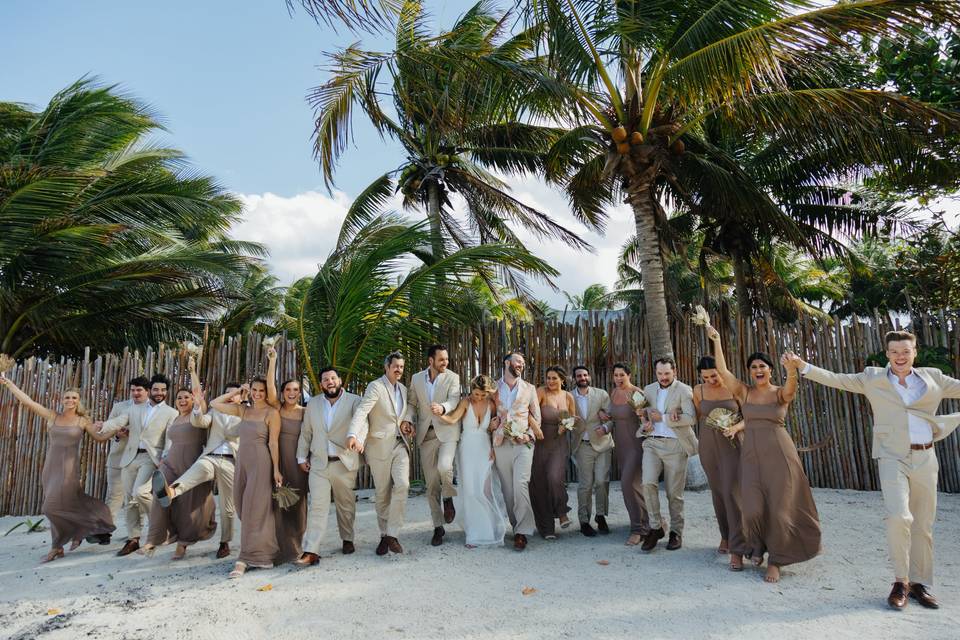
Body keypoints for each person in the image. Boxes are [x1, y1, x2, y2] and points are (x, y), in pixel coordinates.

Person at [794, 330, 960, 609]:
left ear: (914, 352)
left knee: (924, 524)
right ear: (887, 354)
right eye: (894, 351)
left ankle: (920, 584)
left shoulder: (934, 377)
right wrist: (803, 366)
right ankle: (900, 582)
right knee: (898, 517)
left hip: (926, 457)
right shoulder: (873, 378)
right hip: (892, 456)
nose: (900, 356)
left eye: (905, 351)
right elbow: (837, 379)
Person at [707, 325, 821, 583]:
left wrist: (792, 370)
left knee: (780, 510)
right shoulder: (744, 392)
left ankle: (777, 560)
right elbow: (723, 372)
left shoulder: (779, 392)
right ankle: (754, 549)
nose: (758, 370)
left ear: (770, 369)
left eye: (763, 366)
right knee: (752, 509)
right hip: (750, 457)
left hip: (780, 456)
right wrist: (717, 340)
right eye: (754, 367)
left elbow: (790, 391)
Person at [1, 374, 114, 562]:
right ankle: (59, 546)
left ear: (78, 402)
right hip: (50, 469)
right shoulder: (52, 416)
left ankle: (75, 535)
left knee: (50, 508)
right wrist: (8, 383)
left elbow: (100, 438)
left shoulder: (82, 421)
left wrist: (118, 430)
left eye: (74, 398)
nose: (70, 400)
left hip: (69, 470)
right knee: (57, 506)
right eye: (67, 397)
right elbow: (28, 402)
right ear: (62, 400)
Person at [159, 357, 240, 559]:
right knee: (194, 472)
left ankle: (225, 542)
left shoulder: (247, 413)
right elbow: (200, 422)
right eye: (227, 393)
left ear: (240, 396)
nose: (230, 397)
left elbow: (239, 432)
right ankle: (170, 491)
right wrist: (196, 408)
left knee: (227, 507)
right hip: (210, 457)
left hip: (231, 461)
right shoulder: (214, 411)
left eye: (235, 394)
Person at [97, 373, 178, 556]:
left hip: (151, 458)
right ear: (150, 391)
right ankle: (133, 539)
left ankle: (161, 526)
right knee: (129, 501)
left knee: (138, 493)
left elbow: (169, 438)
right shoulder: (135, 409)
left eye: (163, 390)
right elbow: (119, 421)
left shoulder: (171, 413)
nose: (159, 393)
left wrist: (165, 456)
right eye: (156, 389)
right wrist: (104, 425)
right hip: (129, 457)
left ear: (166, 392)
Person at [210, 379, 282, 578]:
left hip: (261, 463)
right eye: (254, 390)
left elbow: (274, 443)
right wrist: (239, 392)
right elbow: (214, 404)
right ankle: (265, 552)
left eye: (261, 390)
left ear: (267, 393)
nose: (257, 393)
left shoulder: (272, 413)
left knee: (253, 509)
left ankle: (245, 559)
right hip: (242, 462)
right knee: (242, 506)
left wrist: (276, 469)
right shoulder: (244, 410)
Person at [295, 366, 362, 565]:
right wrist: (301, 457)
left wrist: (358, 438)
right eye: (325, 379)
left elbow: (361, 423)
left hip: (344, 461)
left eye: (333, 378)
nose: (329, 382)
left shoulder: (354, 401)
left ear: (339, 380)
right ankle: (311, 550)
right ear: (321, 383)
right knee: (317, 507)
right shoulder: (313, 404)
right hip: (319, 464)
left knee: (346, 505)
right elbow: (306, 432)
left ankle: (347, 538)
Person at [347, 352, 411, 556]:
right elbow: (362, 411)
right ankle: (384, 535)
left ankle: (392, 534)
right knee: (383, 493)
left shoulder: (403, 388)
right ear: (387, 367)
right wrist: (353, 434)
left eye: (401, 366)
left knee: (403, 484)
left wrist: (408, 423)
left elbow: (406, 411)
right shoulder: (375, 386)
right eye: (396, 366)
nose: (399, 370)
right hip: (378, 447)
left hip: (400, 445)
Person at [142, 388, 216, 559]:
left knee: (186, 505)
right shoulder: (176, 418)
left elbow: (199, 407)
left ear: (193, 400)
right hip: (170, 464)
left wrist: (192, 372)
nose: (182, 400)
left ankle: (182, 544)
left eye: (187, 397)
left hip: (190, 465)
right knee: (159, 497)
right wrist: (163, 459)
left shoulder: (197, 416)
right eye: (179, 397)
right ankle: (152, 540)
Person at [437, 375, 508, 547]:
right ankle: (474, 534)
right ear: (471, 390)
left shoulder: (491, 405)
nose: (479, 398)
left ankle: (489, 531)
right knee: (470, 490)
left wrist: (493, 448)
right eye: (476, 394)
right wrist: (439, 414)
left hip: (485, 448)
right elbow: (453, 419)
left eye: (483, 395)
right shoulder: (465, 402)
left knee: (485, 490)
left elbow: (493, 430)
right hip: (467, 449)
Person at [402, 344, 462, 546]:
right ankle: (438, 527)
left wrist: (443, 407)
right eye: (441, 359)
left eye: (447, 359)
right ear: (430, 361)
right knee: (431, 485)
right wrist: (409, 420)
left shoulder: (453, 377)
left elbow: (454, 400)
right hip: (425, 436)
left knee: (445, 467)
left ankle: (448, 498)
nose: (446, 362)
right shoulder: (417, 378)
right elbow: (411, 403)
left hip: (447, 432)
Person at [638, 357, 698, 552]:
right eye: (660, 373)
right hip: (652, 443)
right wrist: (646, 423)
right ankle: (656, 527)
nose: (663, 377)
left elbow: (691, 418)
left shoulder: (684, 390)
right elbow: (645, 416)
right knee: (647, 483)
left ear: (675, 372)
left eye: (667, 373)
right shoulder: (648, 389)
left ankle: (676, 532)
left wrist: (663, 418)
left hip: (676, 446)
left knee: (674, 494)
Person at [693, 355, 746, 571]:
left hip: (732, 444)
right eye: (705, 377)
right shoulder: (698, 391)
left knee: (733, 493)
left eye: (713, 375)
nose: (710, 380)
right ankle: (724, 535)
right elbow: (697, 415)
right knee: (717, 493)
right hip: (707, 445)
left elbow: (750, 415)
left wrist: (736, 427)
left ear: (721, 371)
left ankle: (738, 547)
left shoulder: (735, 387)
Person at [491, 351, 542, 551]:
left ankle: (523, 531)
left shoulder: (529, 388)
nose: (521, 365)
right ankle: (515, 526)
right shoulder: (493, 387)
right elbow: (487, 413)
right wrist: (492, 424)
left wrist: (528, 435)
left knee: (521, 485)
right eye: (517, 361)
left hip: (524, 444)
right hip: (501, 442)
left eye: (523, 362)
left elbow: (536, 417)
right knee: (508, 490)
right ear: (506, 363)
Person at [266, 347, 308, 564]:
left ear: (299, 392)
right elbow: (269, 387)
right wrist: (272, 360)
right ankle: (281, 549)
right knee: (279, 506)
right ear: (282, 393)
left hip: (299, 464)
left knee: (298, 505)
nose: (291, 393)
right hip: (278, 462)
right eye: (288, 390)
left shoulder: (305, 412)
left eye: (295, 390)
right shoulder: (277, 409)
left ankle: (297, 547)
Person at [530, 366, 574, 539]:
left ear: (562, 380)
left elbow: (573, 419)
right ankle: (547, 527)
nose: (550, 381)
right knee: (539, 484)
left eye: (554, 378)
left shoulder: (568, 397)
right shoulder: (540, 392)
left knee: (555, 478)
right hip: (540, 443)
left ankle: (562, 512)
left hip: (559, 444)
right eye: (548, 378)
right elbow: (528, 412)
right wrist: (535, 427)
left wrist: (567, 425)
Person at [569, 366, 613, 537]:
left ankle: (601, 516)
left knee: (602, 481)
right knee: (585, 485)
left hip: (602, 443)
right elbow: (565, 419)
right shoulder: (569, 397)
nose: (583, 377)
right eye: (579, 375)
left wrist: (605, 427)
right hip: (582, 445)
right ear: (575, 378)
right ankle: (584, 521)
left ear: (589, 376)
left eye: (585, 374)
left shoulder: (602, 394)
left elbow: (611, 418)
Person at [607, 363, 649, 545]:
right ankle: (651, 521)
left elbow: (646, 421)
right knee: (635, 486)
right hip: (621, 446)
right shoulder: (614, 393)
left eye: (621, 375)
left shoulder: (637, 393)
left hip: (635, 445)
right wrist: (605, 421)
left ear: (629, 375)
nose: (618, 378)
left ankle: (638, 529)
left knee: (626, 484)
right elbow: (613, 418)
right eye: (615, 375)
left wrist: (643, 418)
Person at [104, 377, 150, 522]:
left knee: (136, 496)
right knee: (114, 495)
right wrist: (117, 435)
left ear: (147, 391)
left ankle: (135, 532)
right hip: (118, 457)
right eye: (133, 390)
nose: (135, 393)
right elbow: (108, 430)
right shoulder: (119, 407)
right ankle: (105, 530)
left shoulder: (154, 409)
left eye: (139, 390)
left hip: (141, 459)